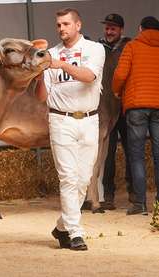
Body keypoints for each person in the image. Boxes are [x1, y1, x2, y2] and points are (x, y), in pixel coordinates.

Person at [36, 8, 105, 250]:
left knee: (84, 180)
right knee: (68, 178)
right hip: (60, 120)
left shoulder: (95, 49)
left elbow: (88, 76)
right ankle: (76, 233)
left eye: (66, 24)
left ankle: (61, 227)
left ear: (78, 25)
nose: (62, 29)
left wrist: (60, 65)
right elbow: (42, 96)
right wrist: (40, 72)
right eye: (58, 25)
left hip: (89, 119)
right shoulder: (51, 54)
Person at [112, 16, 159, 215]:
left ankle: (140, 203)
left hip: (136, 106)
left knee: (137, 156)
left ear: (140, 28)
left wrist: (116, 91)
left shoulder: (132, 46)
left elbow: (121, 74)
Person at [98, 14, 133, 210]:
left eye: (113, 28)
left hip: (126, 107)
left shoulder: (129, 47)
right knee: (107, 154)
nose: (109, 31)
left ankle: (135, 194)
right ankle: (108, 195)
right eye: (107, 28)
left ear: (121, 30)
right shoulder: (99, 48)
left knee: (132, 152)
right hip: (106, 110)